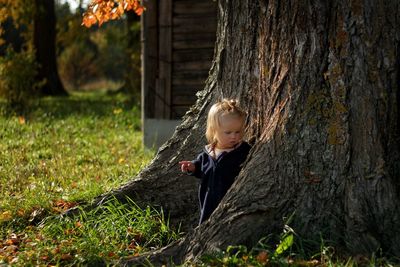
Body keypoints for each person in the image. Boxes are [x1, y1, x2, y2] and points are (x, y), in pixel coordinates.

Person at [179, 99, 251, 224]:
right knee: (207, 222)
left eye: (238, 131)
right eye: (228, 132)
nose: (234, 136)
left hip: (230, 202)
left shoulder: (243, 151)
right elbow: (201, 167)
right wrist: (192, 167)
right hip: (208, 201)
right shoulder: (208, 153)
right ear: (214, 131)